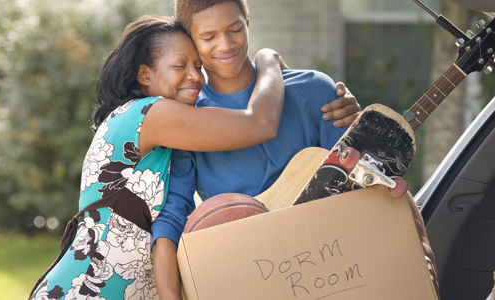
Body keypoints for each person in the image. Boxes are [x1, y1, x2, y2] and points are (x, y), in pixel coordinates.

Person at [28, 15, 350, 300]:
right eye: (180, 66)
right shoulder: (148, 114)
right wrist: (267, 58)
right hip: (83, 292)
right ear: (144, 75)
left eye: (197, 66)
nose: (195, 76)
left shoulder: (172, 140)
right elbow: (260, 123)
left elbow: (171, 218)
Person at [150, 2, 439, 300]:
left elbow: (364, 187)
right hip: (249, 279)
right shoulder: (188, 121)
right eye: (209, 37)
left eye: (234, 29)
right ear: (190, 38)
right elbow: (171, 217)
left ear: (248, 19)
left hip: (340, 270)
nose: (225, 44)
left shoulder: (313, 90)